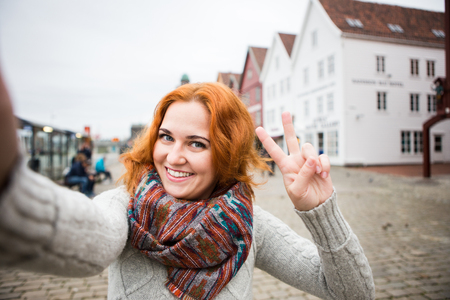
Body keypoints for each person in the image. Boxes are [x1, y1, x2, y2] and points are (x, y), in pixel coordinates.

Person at [0, 77, 375, 299]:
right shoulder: (124, 207)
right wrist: (8, 185)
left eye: (197, 143)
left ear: (225, 154)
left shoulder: (247, 225)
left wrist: (321, 211)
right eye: (166, 137)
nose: (173, 157)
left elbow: (352, 292)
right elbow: (81, 240)